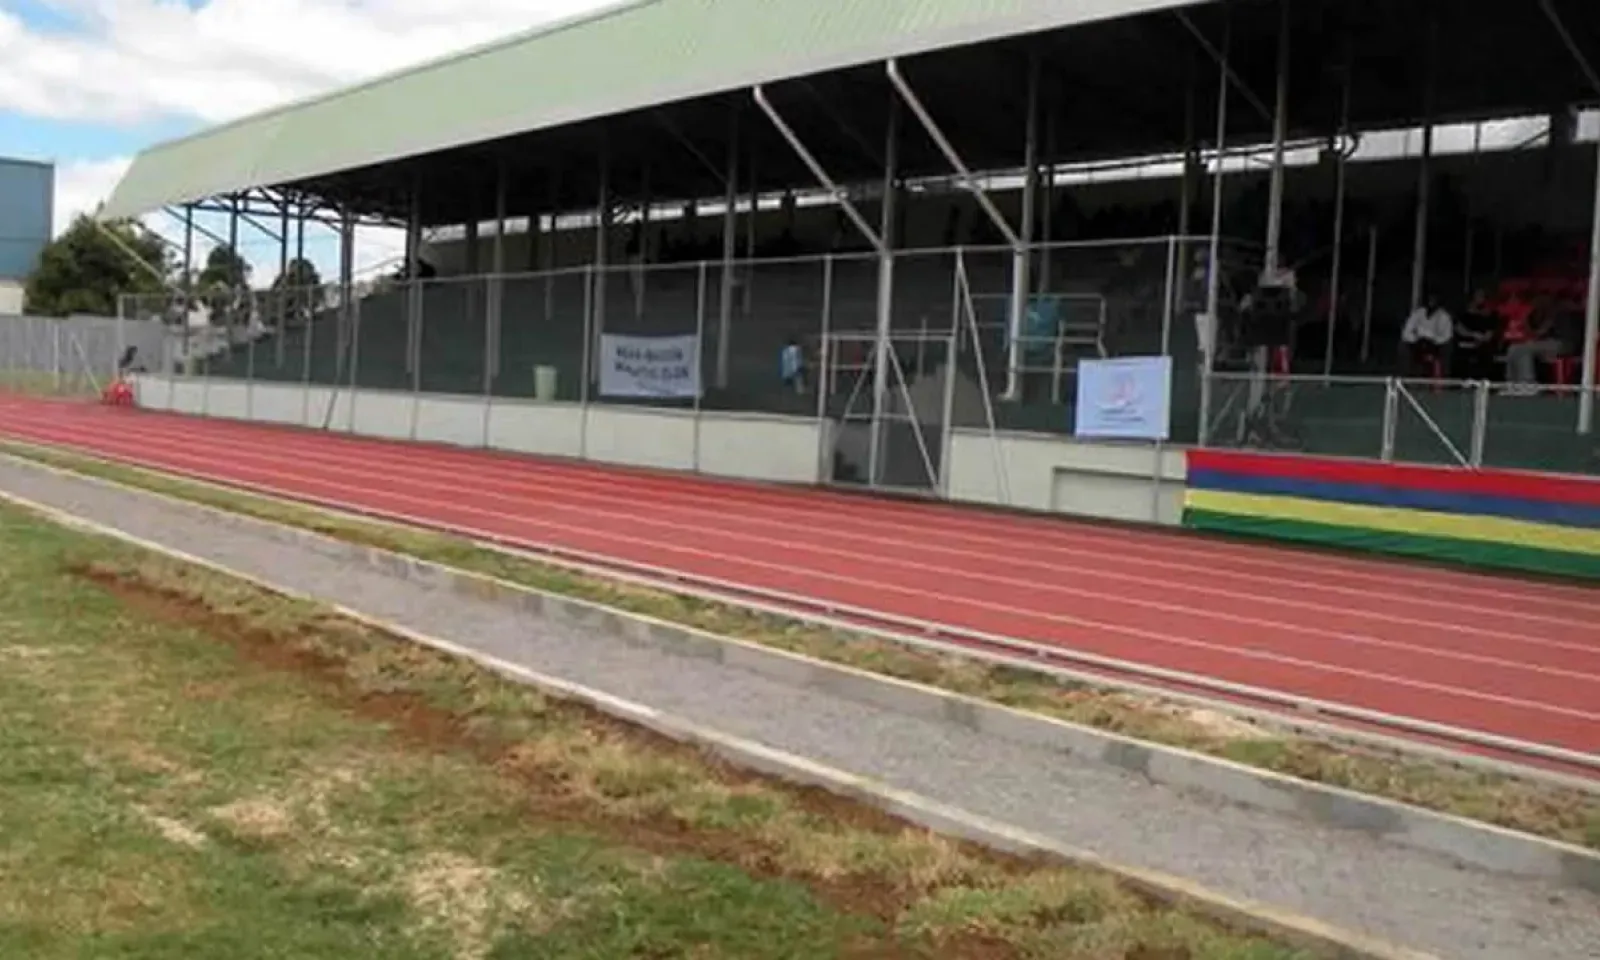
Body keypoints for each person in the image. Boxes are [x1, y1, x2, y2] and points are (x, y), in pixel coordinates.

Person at [1504, 297, 1563, 394]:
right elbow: (1532, 333)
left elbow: (1539, 333)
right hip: (1543, 343)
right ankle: (1512, 384)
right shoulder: (1536, 315)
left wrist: (1525, 322)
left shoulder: (1554, 314)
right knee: (1513, 348)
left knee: (1525, 349)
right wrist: (1525, 319)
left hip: (1559, 343)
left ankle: (1527, 384)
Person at [1399, 294, 1452, 377]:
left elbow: (1446, 337)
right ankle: (1406, 377)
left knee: (1447, 348)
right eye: (1430, 300)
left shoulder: (1444, 316)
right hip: (1417, 342)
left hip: (1435, 344)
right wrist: (1415, 339)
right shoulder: (1418, 313)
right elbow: (1406, 332)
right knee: (1403, 346)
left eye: (1434, 301)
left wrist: (1431, 338)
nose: (1431, 303)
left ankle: (1442, 379)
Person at [1453, 290, 1499, 380]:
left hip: (1483, 343)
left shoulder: (1490, 315)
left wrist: (1482, 338)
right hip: (1466, 342)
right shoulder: (1463, 313)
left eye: (1482, 297)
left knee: (1486, 352)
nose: (1479, 299)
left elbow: (1490, 333)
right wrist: (1473, 334)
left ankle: (1483, 381)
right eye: (1477, 296)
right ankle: (1462, 382)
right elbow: (1459, 328)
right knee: (1460, 354)